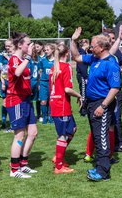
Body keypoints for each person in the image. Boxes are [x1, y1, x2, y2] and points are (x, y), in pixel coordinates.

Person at [71, 27, 121, 182]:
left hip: (102, 104)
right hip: (92, 103)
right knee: (97, 137)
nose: (91, 48)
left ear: (102, 47)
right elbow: (77, 57)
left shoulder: (110, 63)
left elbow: (115, 88)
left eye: (93, 46)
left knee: (102, 137)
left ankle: (103, 172)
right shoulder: (94, 58)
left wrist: (103, 106)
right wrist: (73, 40)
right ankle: (99, 166)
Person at [6, 32, 38, 178]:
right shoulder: (14, 58)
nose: (30, 45)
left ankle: (23, 164)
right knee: (19, 135)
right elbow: (17, 72)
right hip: (16, 100)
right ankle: (14, 169)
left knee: (32, 133)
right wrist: (29, 57)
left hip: (26, 99)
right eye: (28, 43)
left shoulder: (23, 59)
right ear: (20, 45)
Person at [49, 43, 82, 174]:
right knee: (62, 135)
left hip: (56, 103)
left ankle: (59, 156)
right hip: (61, 105)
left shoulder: (54, 67)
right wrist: (79, 95)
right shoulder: (66, 66)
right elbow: (67, 89)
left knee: (73, 129)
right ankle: (58, 166)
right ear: (67, 53)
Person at [105, 28, 122, 152]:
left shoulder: (117, 53)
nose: (112, 41)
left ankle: (119, 143)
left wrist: (118, 69)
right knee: (104, 119)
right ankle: (105, 146)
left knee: (116, 117)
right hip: (104, 91)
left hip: (116, 90)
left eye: (114, 39)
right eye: (111, 39)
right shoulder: (98, 54)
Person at [0, 39, 14, 130]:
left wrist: (8, 58)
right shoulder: (1, 55)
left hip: (14, 83)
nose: (7, 48)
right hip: (4, 81)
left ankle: (12, 123)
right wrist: (2, 82)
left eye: (9, 46)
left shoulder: (15, 55)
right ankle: (4, 121)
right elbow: (0, 69)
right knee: (5, 102)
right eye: (6, 46)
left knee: (12, 102)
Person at [39, 43, 55, 124]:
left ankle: (50, 116)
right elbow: (40, 71)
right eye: (44, 50)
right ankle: (44, 117)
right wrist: (39, 83)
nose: (46, 51)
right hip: (43, 83)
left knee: (51, 100)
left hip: (53, 84)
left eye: (47, 50)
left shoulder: (56, 60)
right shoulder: (42, 60)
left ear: (52, 50)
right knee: (43, 101)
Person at [76, 39, 90, 116]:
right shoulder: (81, 53)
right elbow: (82, 67)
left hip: (84, 75)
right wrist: (85, 77)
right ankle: (83, 110)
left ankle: (85, 108)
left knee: (86, 92)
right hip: (82, 75)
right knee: (83, 93)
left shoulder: (84, 52)